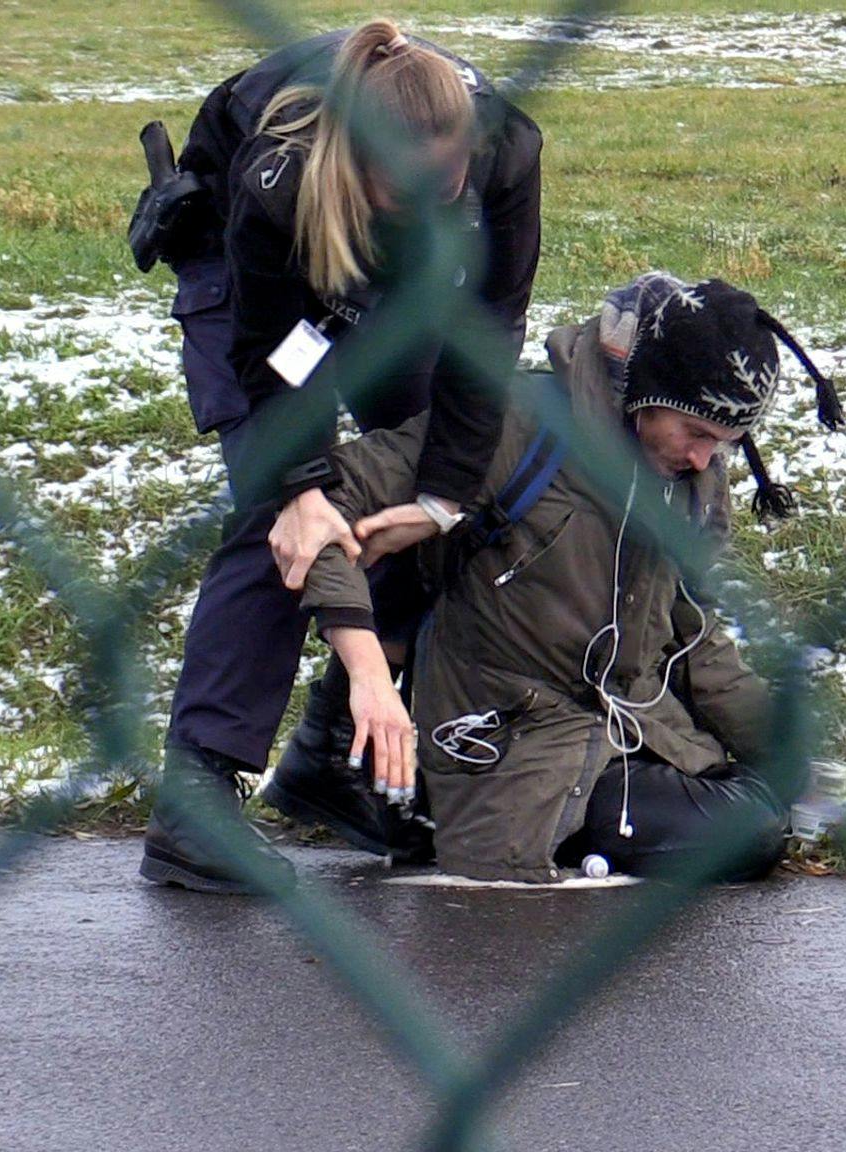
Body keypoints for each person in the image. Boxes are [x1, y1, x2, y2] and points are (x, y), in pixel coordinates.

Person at [132, 20, 543, 892]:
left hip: (389, 286)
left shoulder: (506, 149)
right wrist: (302, 486)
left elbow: (489, 333)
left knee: (425, 477)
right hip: (256, 289)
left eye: (448, 188)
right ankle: (196, 799)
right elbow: (274, 360)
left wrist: (441, 495)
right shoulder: (279, 177)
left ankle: (331, 756)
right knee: (281, 510)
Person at [297, 273, 846, 882]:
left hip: (627, 726)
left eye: (725, 444)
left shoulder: (692, 483)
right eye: (696, 433)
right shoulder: (511, 423)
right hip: (504, 737)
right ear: (647, 391)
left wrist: (792, 763)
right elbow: (320, 511)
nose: (703, 459)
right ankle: (411, 796)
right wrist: (365, 671)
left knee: (763, 806)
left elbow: (695, 639)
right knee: (744, 834)